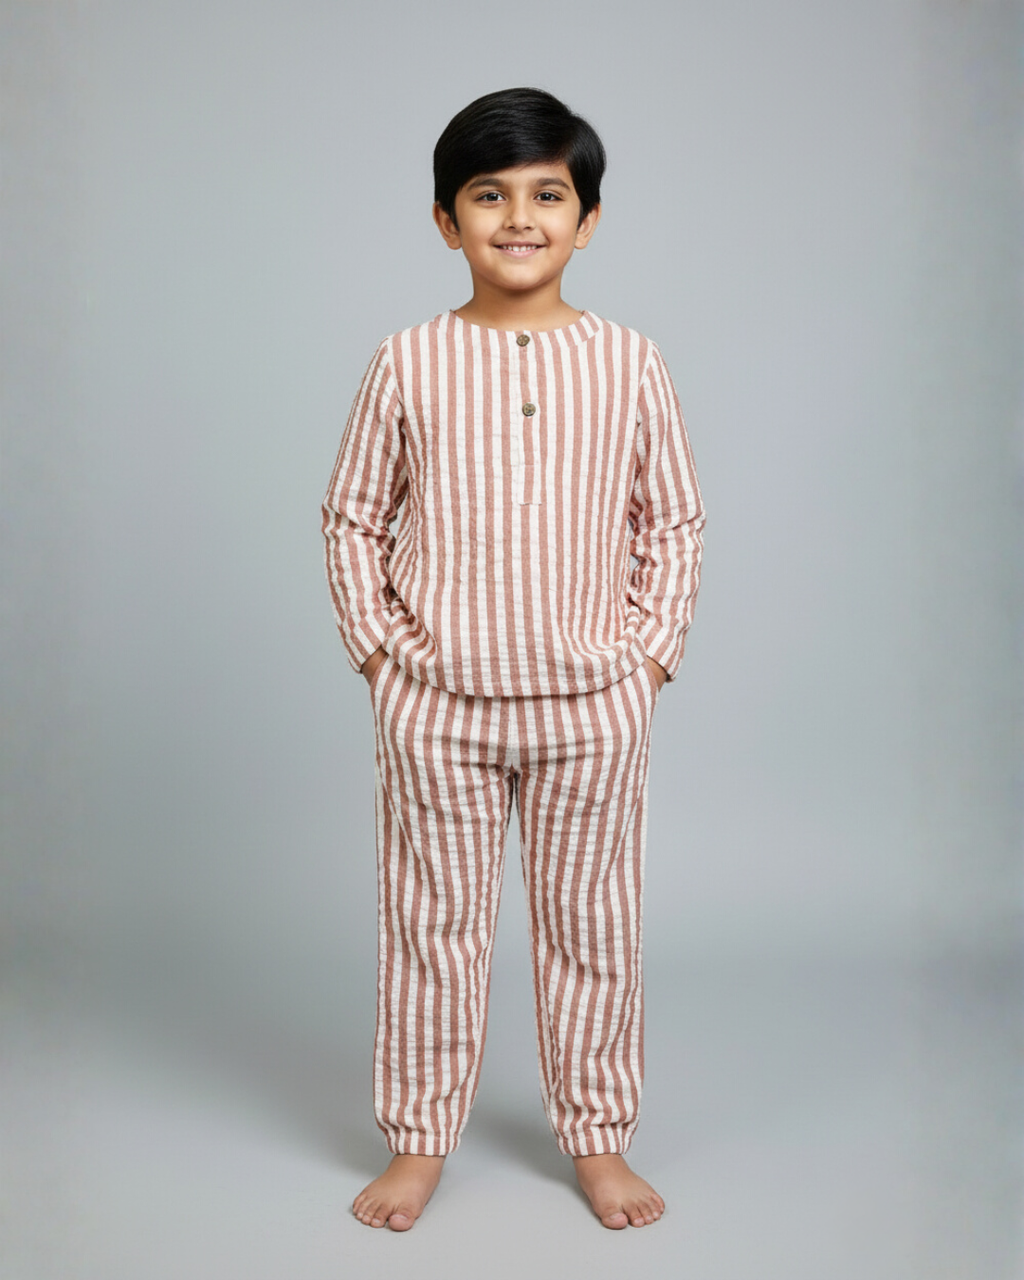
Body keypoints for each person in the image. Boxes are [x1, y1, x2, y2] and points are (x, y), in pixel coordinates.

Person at [322, 87, 706, 1232]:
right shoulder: (405, 361)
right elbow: (350, 516)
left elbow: (673, 521)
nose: (519, 217)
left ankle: (596, 1139)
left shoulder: (632, 363)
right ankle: (419, 1139)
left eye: (548, 193)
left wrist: (647, 661)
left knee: (592, 928)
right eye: (489, 195)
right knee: (431, 926)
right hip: (436, 705)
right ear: (447, 221)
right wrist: (381, 656)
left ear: (587, 220)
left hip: (593, 704)